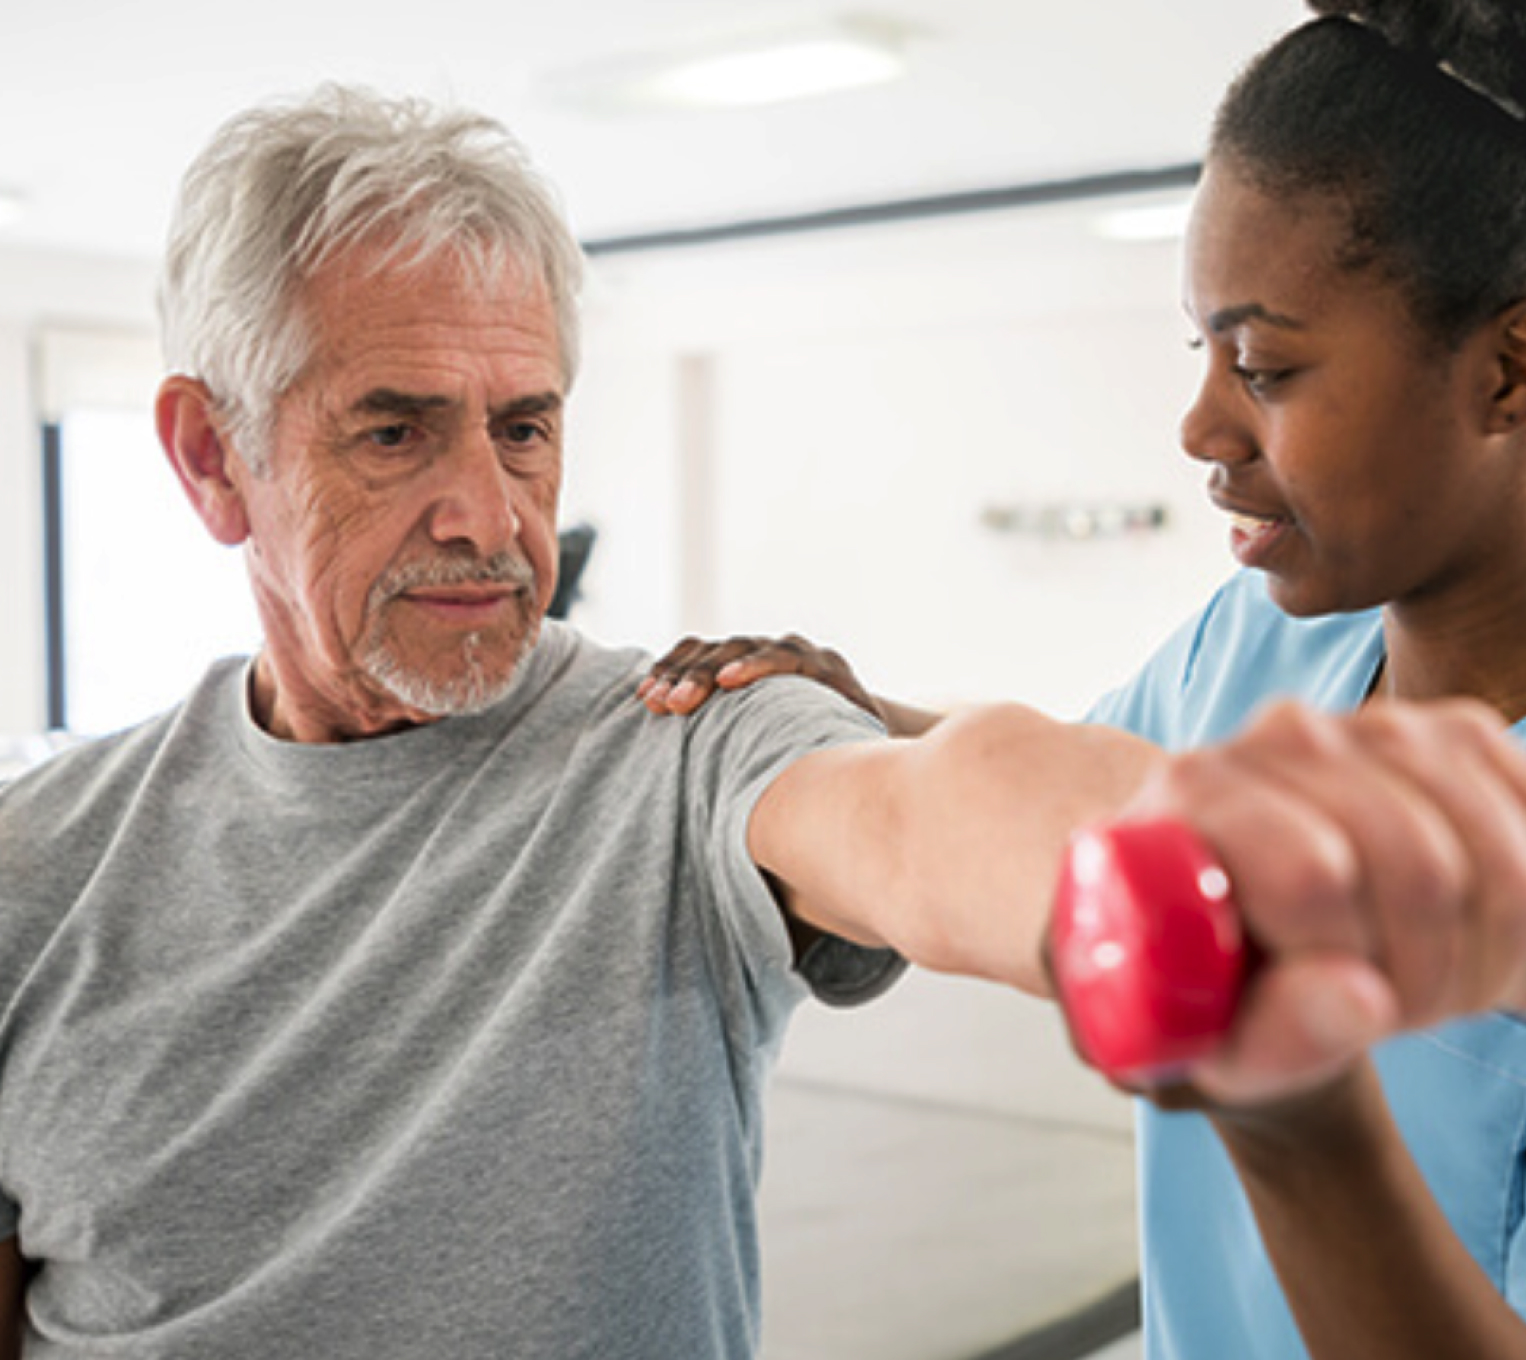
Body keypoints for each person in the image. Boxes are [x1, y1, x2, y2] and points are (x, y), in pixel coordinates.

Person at [1, 72, 1524, 1360]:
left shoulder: (681, 735)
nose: (486, 513)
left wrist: (1228, 884)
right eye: (393, 433)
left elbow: (956, 818)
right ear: (211, 459)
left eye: (525, 429)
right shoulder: (35, 872)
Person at [639, 2, 1526, 1357]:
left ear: (1507, 368)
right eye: (1201, 352)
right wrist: (845, 713)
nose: (1199, 425)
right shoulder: (1261, 643)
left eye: (1265, 366)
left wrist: (1291, 1116)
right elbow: (1072, 784)